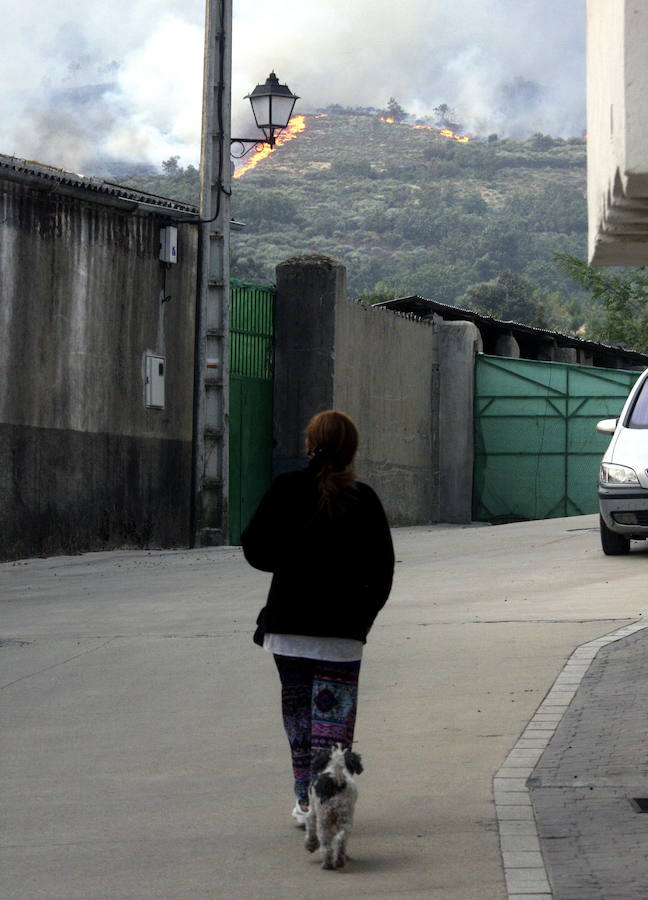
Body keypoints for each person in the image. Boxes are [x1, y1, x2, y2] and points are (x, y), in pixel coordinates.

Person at [241, 409, 395, 826]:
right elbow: (383, 570)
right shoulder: (364, 499)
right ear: (352, 449)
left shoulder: (285, 489)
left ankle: (305, 802)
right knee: (334, 728)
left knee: (300, 724)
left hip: (289, 629)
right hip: (343, 634)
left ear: (310, 444)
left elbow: (254, 548)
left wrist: (292, 565)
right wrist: (362, 617)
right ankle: (330, 802)